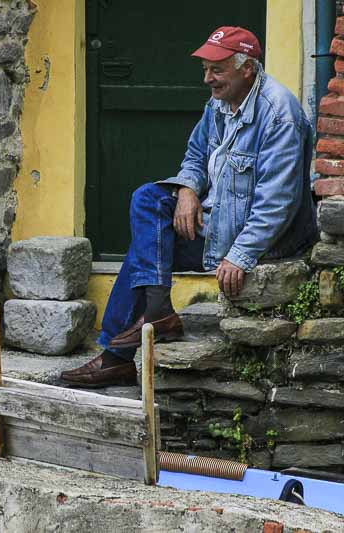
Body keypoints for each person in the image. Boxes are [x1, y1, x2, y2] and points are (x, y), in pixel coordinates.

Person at [61, 26, 317, 388]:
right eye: (205, 69)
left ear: (247, 68)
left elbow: (278, 201)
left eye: (217, 69)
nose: (207, 79)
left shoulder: (279, 114)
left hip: (264, 240)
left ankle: (120, 353)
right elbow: (196, 156)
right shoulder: (220, 102)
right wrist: (187, 190)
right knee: (148, 200)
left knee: (144, 251)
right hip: (218, 221)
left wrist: (241, 255)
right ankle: (157, 312)